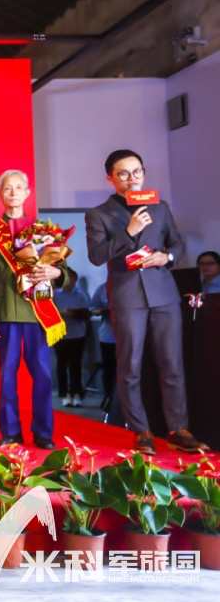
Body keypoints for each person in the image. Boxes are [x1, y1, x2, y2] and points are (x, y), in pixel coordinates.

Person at [85, 149, 208, 454]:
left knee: (172, 363)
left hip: (163, 293)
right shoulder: (98, 214)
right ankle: (141, 430)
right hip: (127, 295)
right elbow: (97, 256)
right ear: (111, 178)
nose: (132, 178)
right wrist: (130, 232)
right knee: (130, 365)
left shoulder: (160, 207)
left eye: (137, 171)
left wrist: (167, 257)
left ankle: (179, 429)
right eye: (124, 173)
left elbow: (177, 243)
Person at [0, 170, 65, 450]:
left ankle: (43, 431)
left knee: (43, 374)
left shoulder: (44, 230)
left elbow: (65, 271)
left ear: (28, 193)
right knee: (7, 375)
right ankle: (11, 431)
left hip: (38, 313)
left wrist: (55, 273)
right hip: (6, 313)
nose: (13, 193)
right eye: (8, 188)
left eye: (19, 188)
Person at [52, 268, 91, 408]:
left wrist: (76, 314)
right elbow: (49, 313)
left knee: (76, 365)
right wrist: (62, 314)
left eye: (72, 277)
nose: (70, 280)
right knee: (61, 365)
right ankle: (64, 394)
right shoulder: (55, 294)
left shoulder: (81, 294)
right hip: (60, 334)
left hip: (78, 333)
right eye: (67, 277)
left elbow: (88, 313)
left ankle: (76, 393)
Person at [90, 281, 117, 414]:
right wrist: (101, 311)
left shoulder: (129, 284)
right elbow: (92, 309)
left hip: (127, 335)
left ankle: (122, 401)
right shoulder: (102, 288)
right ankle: (109, 398)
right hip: (108, 336)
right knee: (109, 369)